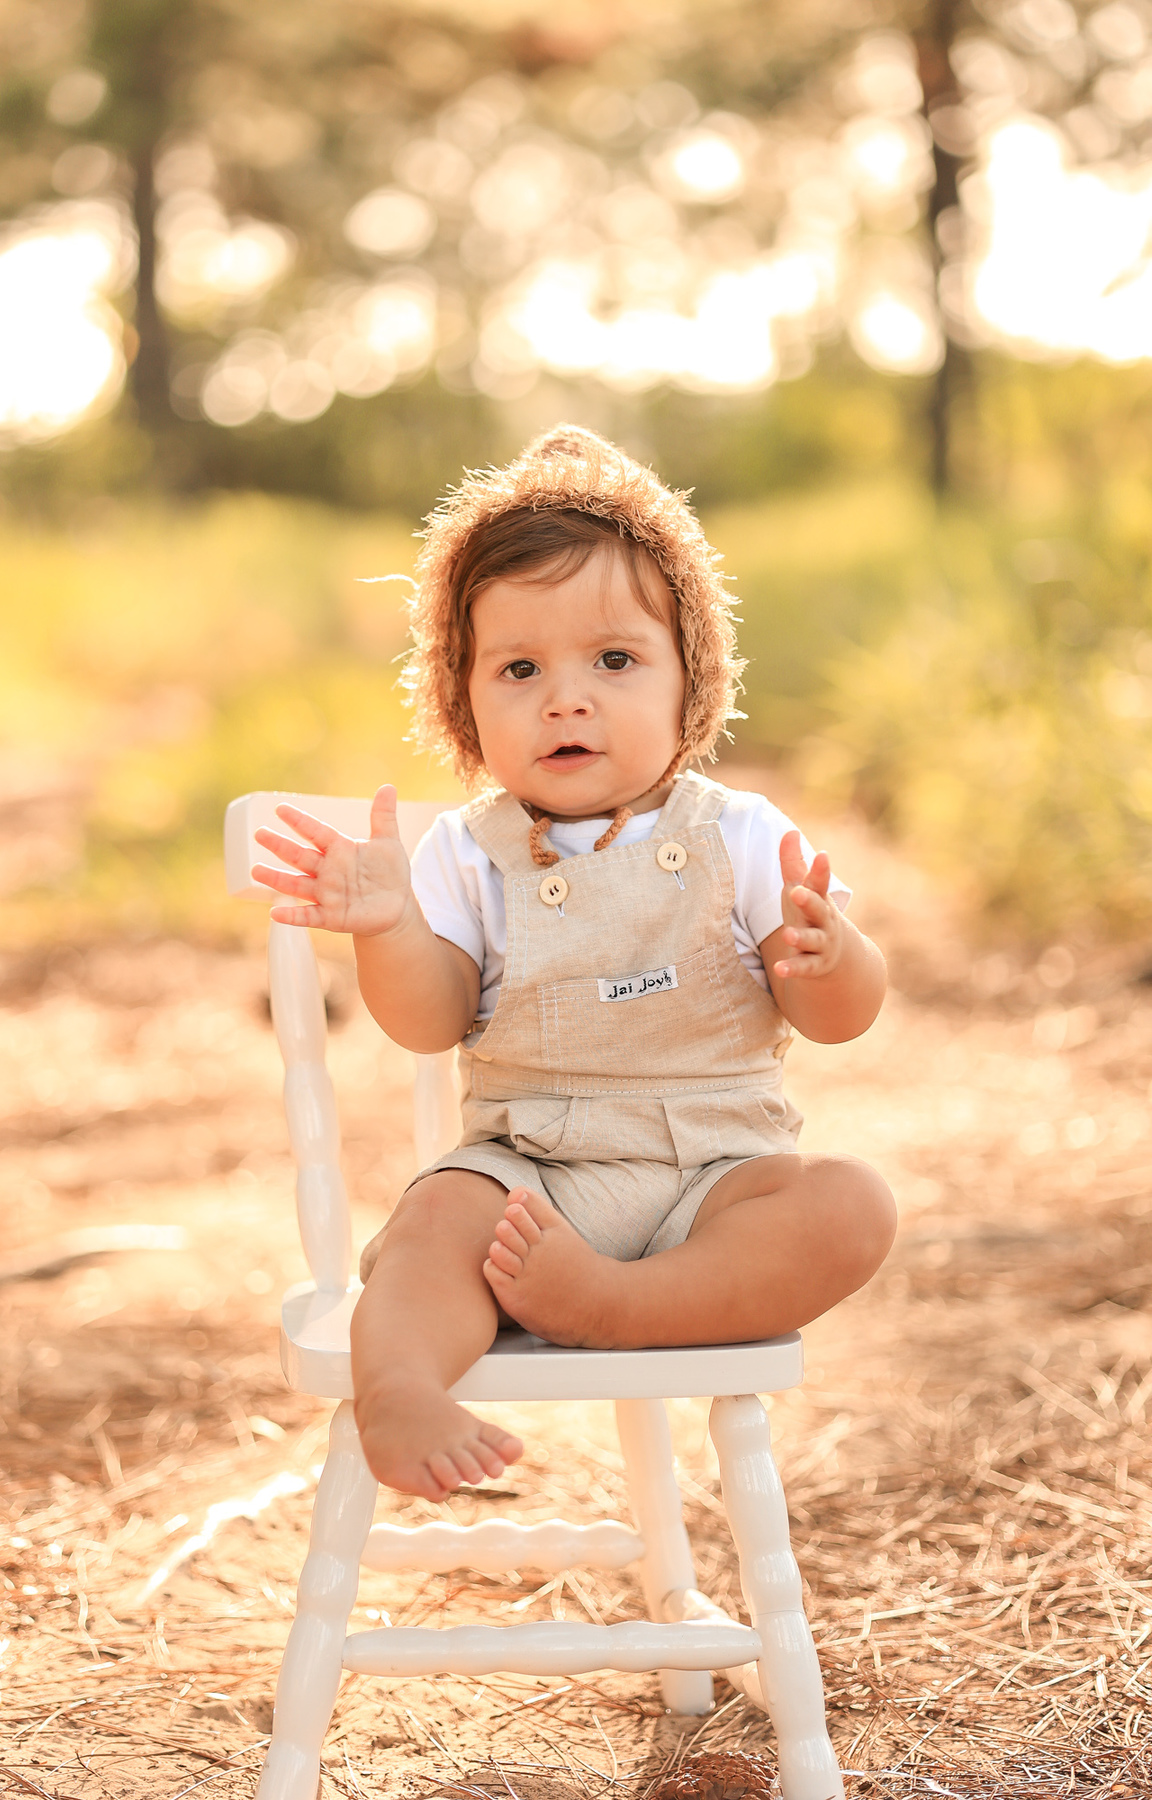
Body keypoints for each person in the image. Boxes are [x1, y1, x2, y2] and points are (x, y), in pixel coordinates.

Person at [252, 425, 896, 1504]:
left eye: (613, 660)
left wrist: (830, 959)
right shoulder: (466, 850)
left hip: (719, 1174)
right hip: (536, 1170)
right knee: (433, 1223)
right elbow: (430, 1018)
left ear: (691, 682)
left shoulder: (739, 835)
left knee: (853, 1207)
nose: (567, 698)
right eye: (519, 668)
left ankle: (619, 1308)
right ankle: (401, 1386)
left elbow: (840, 1019)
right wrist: (386, 930)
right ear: (464, 703)